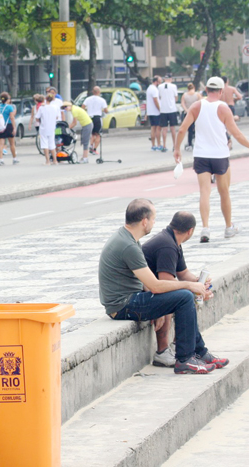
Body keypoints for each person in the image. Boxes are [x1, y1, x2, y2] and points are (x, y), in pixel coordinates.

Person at [99, 199, 226, 374]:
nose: (154, 223)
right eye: (153, 218)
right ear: (144, 221)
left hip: (128, 300)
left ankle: (197, 353)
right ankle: (185, 359)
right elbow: (155, 286)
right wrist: (190, 286)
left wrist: (159, 307)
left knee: (183, 295)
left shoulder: (127, 238)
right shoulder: (129, 245)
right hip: (122, 305)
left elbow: (147, 283)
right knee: (185, 297)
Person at [174, 76, 249, 243]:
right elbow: (236, 134)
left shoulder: (196, 106)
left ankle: (205, 229)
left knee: (204, 192)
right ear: (221, 91)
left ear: (206, 90)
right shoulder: (224, 108)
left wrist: (177, 149)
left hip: (201, 155)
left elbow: (182, 130)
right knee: (224, 193)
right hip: (220, 155)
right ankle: (228, 227)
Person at [141, 211, 219, 368]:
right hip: (143, 292)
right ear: (190, 231)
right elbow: (165, 281)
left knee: (185, 295)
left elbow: (183, 273)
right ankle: (167, 352)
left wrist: (198, 283)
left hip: (152, 288)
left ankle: (195, 350)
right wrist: (193, 290)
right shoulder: (167, 245)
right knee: (182, 297)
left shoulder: (173, 241)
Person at [0, 92, 18, 165]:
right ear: (7, 99)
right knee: (12, 143)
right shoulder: (10, 107)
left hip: (1, 126)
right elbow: (12, 117)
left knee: (1, 144)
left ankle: (1, 160)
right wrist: (14, 127)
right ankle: (14, 158)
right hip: (9, 125)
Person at [82, 86, 108, 155]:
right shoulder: (102, 100)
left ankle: (90, 145)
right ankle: (94, 149)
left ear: (93, 92)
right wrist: (103, 110)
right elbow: (106, 110)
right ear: (99, 92)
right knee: (98, 134)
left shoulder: (88, 99)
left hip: (89, 118)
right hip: (97, 118)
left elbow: (83, 107)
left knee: (92, 134)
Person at [35, 94, 58, 165]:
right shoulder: (55, 107)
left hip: (44, 128)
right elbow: (57, 117)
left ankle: (47, 161)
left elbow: (37, 118)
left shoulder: (42, 108)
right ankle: (55, 160)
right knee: (52, 144)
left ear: (45, 98)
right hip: (52, 127)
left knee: (45, 144)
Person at [158, 74, 179, 152]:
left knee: (164, 129)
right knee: (173, 128)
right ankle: (174, 145)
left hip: (163, 109)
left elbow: (160, 97)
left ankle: (164, 145)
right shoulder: (173, 86)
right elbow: (176, 97)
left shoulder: (160, 87)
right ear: (171, 79)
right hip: (172, 109)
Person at [181, 83, 201, 150]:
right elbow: (201, 102)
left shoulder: (184, 95)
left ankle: (189, 143)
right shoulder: (197, 95)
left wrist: (187, 110)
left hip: (187, 113)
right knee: (197, 128)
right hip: (196, 113)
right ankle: (198, 142)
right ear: (194, 87)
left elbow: (183, 104)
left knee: (189, 129)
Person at [146, 76, 162, 151]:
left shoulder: (149, 88)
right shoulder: (154, 89)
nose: (160, 83)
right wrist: (160, 109)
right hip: (156, 112)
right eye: (160, 81)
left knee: (153, 128)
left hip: (150, 111)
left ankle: (153, 145)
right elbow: (155, 100)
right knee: (158, 128)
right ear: (156, 81)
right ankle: (159, 144)